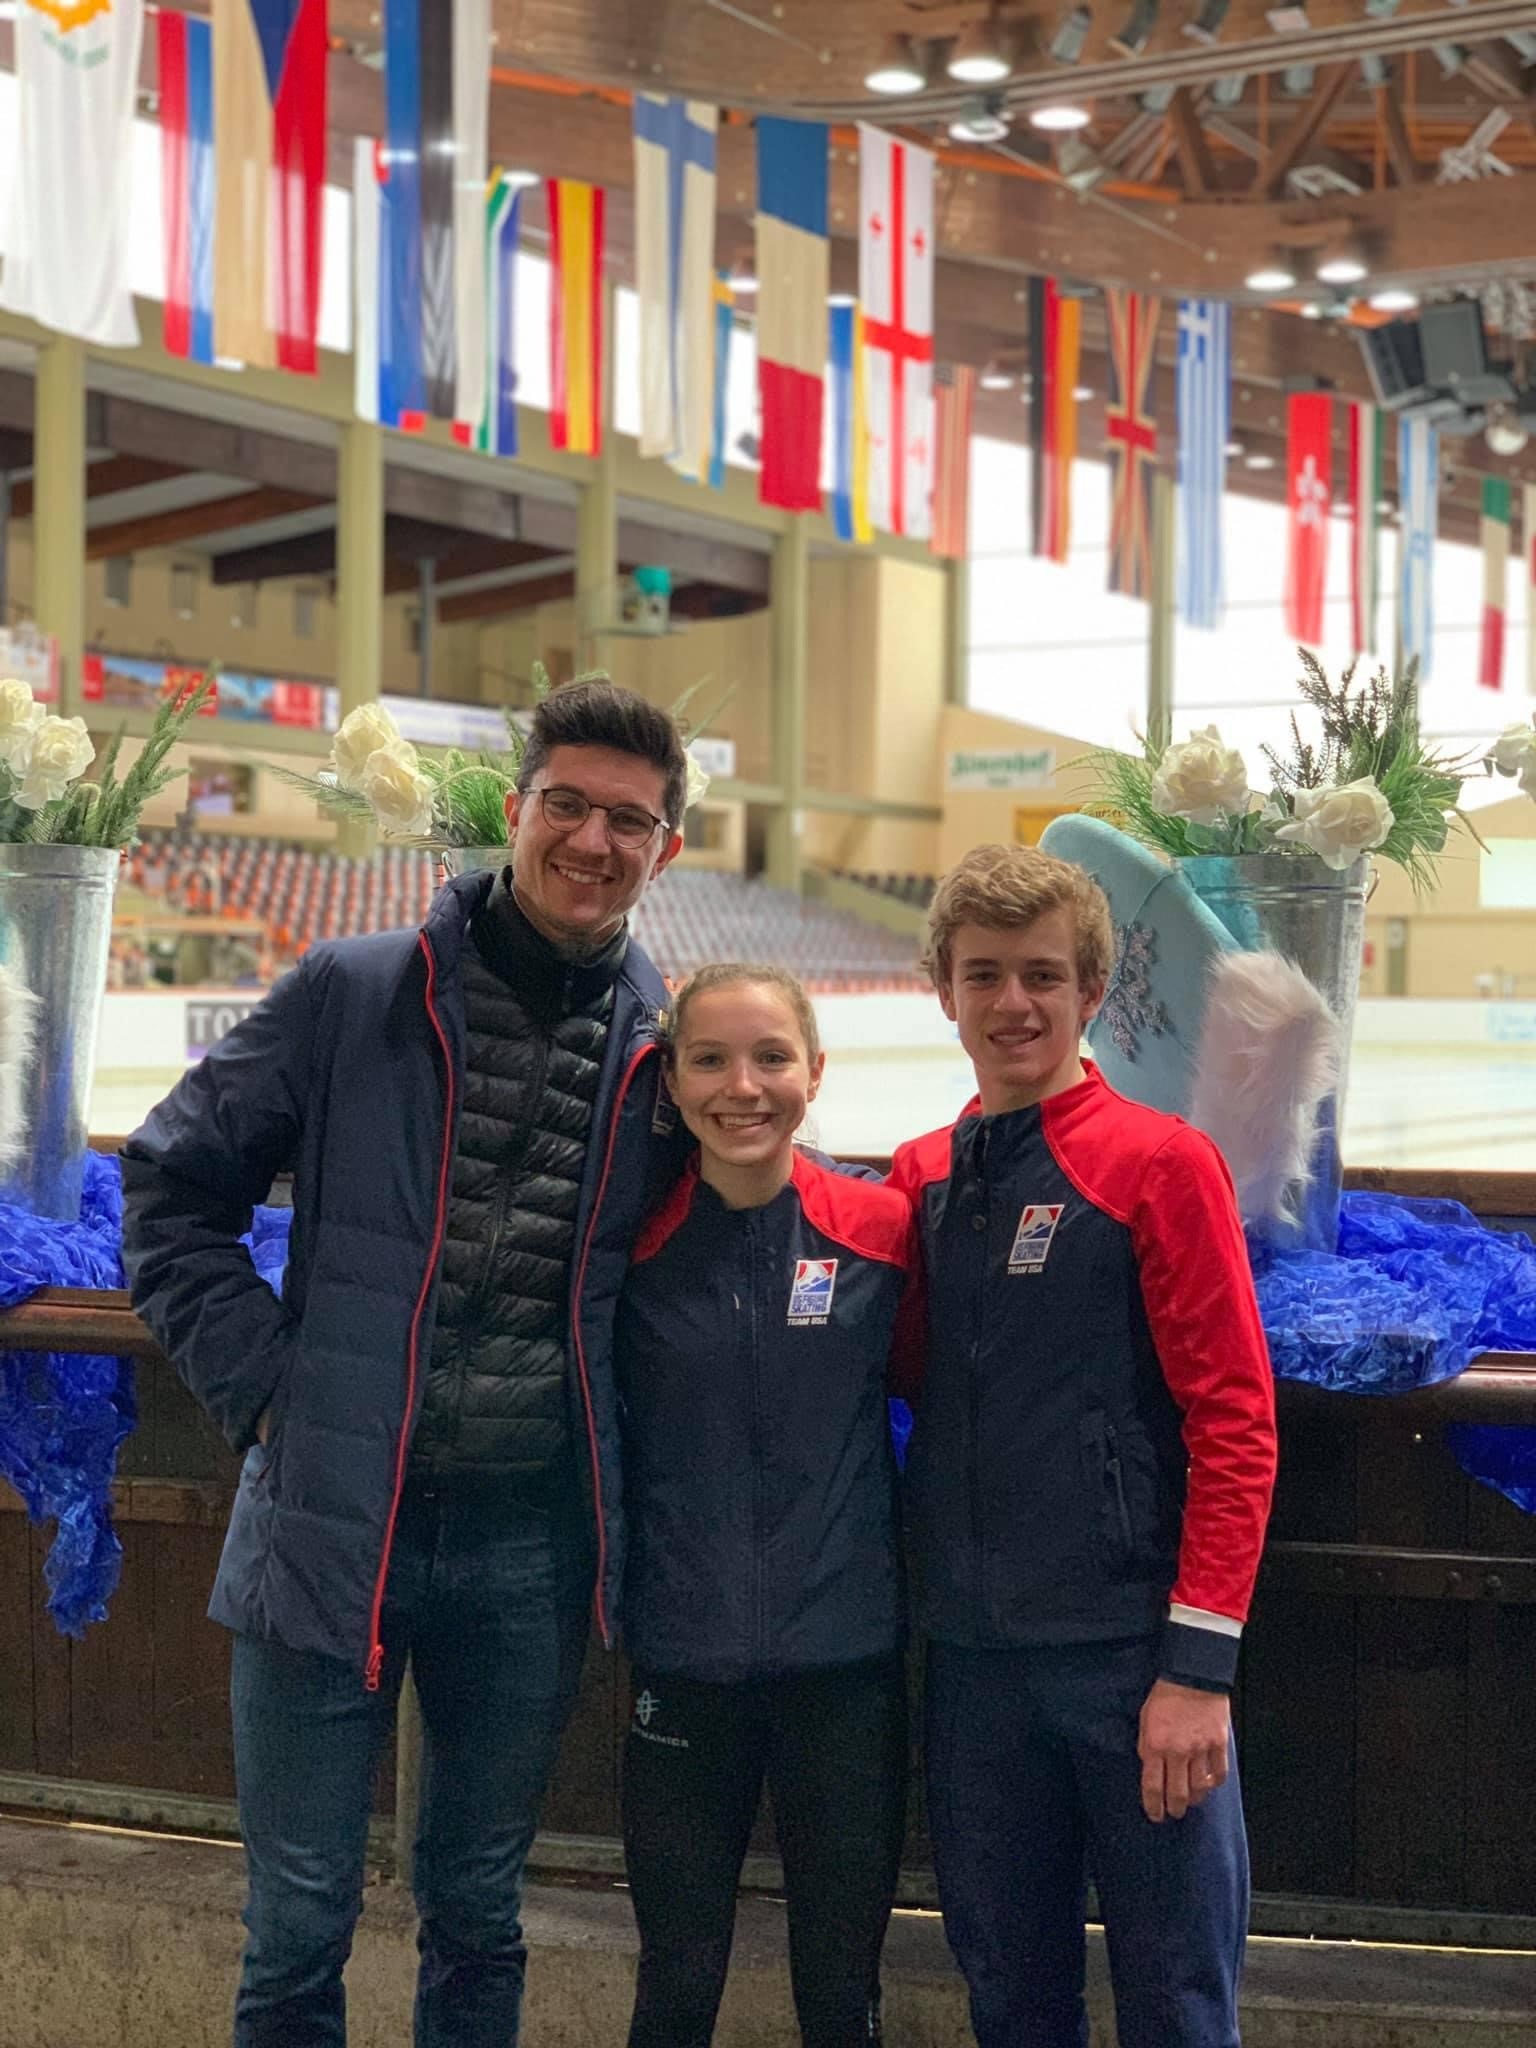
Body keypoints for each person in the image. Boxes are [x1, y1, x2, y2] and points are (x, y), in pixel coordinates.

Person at [120, 679, 689, 2048]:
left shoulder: (670, 1047)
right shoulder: (355, 990)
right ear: (517, 808)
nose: (593, 841)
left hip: (527, 1546)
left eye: (631, 819)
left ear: (667, 849)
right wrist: (267, 1389)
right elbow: (169, 1187)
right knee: (300, 1924)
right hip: (330, 1519)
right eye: (570, 805)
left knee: (481, 1916)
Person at [887, 843, 1278, 2048]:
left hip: (1131, 1669)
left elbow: (1236, 1422)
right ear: (943, 988)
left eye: (1044, 976)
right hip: (970, 1671)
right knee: (1011, 2002)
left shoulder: (1160, 1164)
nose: (1015, 1003)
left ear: (1091, 991)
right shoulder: (919, 1179)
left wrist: (1195, 1670)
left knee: (1176, 2007)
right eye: (987, 974)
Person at [615, 963, 919, 2048]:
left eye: (771, 1056)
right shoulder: (629, 1254)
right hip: (682, 1667)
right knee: (677, 1982)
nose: (743, 1085)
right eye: (711, 1058)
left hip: (845, 1674)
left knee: (842, 1994)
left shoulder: (883, 1233)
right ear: (671, 1081)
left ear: (815, 1073)